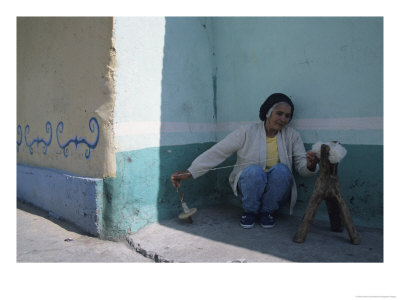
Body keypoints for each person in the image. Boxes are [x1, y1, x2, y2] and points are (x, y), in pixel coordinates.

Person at [170, 93, 319, 229]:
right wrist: (190, 172)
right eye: (279, 113)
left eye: (287, 116)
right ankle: (250, 212)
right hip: (249, 186)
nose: (283, 119)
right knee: (254, 171)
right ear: (268, 113)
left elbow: (301, 167)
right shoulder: (247, 131)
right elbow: (219, 151)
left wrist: (310, 166)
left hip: (275, 191)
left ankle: (267, 213)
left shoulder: (292, 136)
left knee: (282, 171)